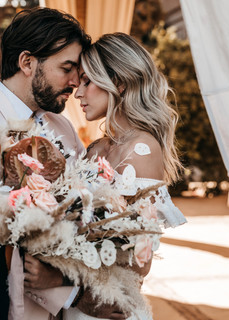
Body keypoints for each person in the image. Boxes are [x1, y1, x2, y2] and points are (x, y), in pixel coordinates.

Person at [0, 7, 91, 320]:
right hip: (5, 303)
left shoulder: (64, 128)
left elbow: (85, 210)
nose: (77, 81)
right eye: (68, 68)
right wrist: (60, 286)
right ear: (27, 62)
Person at [71, 32, 187, 320]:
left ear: (119, 83)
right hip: (76, 302)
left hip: (110, 307)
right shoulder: (95, 148)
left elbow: (141, 258)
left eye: (87, 81)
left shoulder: (143, 149)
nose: (78, 93)